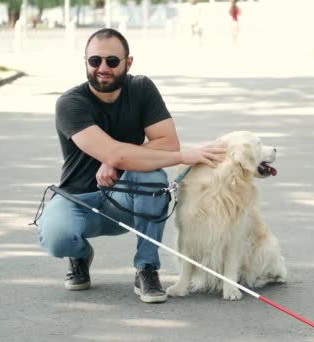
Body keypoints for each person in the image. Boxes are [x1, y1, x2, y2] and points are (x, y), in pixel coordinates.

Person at [36, 28, 225, 304]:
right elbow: (120, 153)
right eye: (94, 61)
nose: (103, 68)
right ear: (85, 61)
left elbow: (168, 142)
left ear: (128, 62)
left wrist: (116, 162)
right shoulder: (70, 103)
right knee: (56, 236)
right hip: (78, 199)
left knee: (152, 177)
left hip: (126, 199)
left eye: (112, 61)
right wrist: (182, 157)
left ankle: (146, 268)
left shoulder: (141, 88)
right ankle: (79, 255)